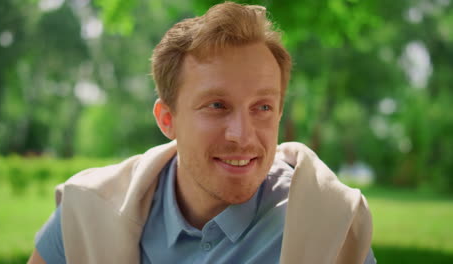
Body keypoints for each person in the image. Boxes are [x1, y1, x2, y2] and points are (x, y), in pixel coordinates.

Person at [28, 2, 375, 264]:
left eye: (263, 107)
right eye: (217, 106)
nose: (242, 135)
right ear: (167, 119)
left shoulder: (330, 225)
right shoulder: (88, 212)